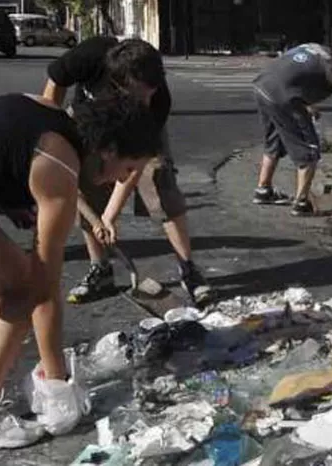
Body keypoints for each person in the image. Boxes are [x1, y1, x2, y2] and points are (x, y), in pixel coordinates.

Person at [0, 91, 160, 448]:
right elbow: (43, 289)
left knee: (2, 277)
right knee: (22, 283)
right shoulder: (58, 166)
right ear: (108, 150)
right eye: (126, 169)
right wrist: (57, 379)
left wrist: (8, 199)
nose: (116, 182)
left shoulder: (51, 118)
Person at [42, 37, 212, 305]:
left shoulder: (157, 101)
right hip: (90, 121)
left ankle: (188, 269)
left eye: (151, 92)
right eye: (140, 94)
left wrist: (110, 215)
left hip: (135, 129)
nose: (147, 99)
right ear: (119, 83)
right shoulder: (88, 57)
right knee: (89, 183)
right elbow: (55, 82)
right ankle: (101, 269)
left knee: (159, 179)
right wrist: (51, 128)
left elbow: (135, 165)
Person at [252, 42, 332, 213]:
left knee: (275, 140)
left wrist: (306, 104)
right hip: (282, 95)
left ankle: (263, 190)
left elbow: (295, 73)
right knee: (310, 151)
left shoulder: (317, 49)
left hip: (262, 85)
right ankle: (301, 202)